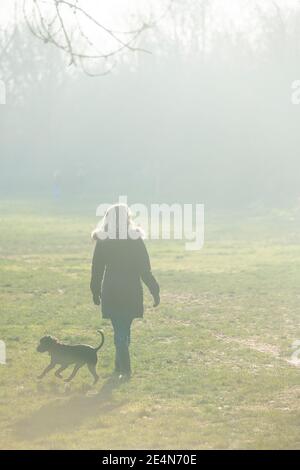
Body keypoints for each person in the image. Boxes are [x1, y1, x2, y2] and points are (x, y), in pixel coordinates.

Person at [90, 204, 160, 380]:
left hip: (111, 289)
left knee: (120, 329)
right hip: (131, 289)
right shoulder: (135, 239)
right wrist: (154, 289)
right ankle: (125, 369)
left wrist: (95, 290)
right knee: (124, 329)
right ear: (127, 218)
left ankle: (119, 367)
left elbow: (96, 268)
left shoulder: (104, 239)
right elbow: (145, 269)